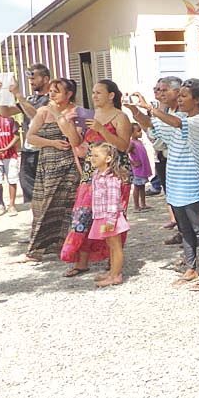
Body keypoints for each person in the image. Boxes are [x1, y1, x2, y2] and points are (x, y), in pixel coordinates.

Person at [129, 78, 199, 290]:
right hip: (176, 181)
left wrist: (150, 108)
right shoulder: (176, 117)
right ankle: (191, 267)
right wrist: (135, 111)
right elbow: (154, 128)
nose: (179, 99)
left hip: (192, 183)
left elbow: (176, 123)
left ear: (197, 99)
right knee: (185, 229)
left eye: (184, 96)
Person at [58, 80, 133, 278]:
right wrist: (67, 125)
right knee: (83, 215)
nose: (95, 96)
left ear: (111, 95)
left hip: (115, 174)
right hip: (91, 172)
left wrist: (102, 130)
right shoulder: (90, 115)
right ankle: (81, 260)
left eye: (99, 92)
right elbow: (80, 146)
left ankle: (113, 261)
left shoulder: (120, 117)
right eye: (93, 92)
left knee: (112, 216)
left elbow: (123, 146)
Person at [23, 79, 82, 261]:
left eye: (57, 91)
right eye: (51, 91)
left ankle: (66, 246)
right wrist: (51, 143)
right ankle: (38, 248)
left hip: (69, 165)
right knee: (41, 205)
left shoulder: (77, 112)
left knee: (67, 205)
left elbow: (76, 140)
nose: (52, 94)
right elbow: (30, 137)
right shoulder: (43, 111)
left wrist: (60, 116)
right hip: (47, 164)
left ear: (69, 93)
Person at [0, 63, 52, 203]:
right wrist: (1, 92)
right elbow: (5, 112)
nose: (31, 82)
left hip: (44, 150)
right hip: (29, 151)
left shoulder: (52, 98)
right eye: (29, 79)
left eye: (34, 78)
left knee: (46, 193)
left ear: (45, 79)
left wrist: (17, 94)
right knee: (31, 194)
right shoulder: (30, 99)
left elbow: (36, 115)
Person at [86, 143, 130, 287]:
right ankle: (112, 272)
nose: (92, 158)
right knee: (110, 244)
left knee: (115, 246)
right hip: (101, 216)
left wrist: (110, 220)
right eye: (91, 155)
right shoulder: (97, 175)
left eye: (96, 155)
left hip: (110, 218)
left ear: (108, 158)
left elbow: (113, 200)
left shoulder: (111, 178)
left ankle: (116, 275)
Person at [151, 76, 182, 240]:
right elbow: (153, 131)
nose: (160, 93)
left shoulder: (181, 113)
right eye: (157, 90)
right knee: (169, 192)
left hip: (178, 160)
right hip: (163, 156)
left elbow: (168, 132)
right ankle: (180, 228)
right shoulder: (164, 110)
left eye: (163, 90)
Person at [128, 124, 152, 212]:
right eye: (138, 131)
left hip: (143, 168)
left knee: (142, 186)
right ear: (132, 133)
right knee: (137, 186)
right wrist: (133, 162)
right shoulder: (132, 143)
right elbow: (126, 153)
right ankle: (136, 206)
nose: (140, 132)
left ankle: (143, 204)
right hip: (137, 169)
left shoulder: (140, 142)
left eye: (140, 130)